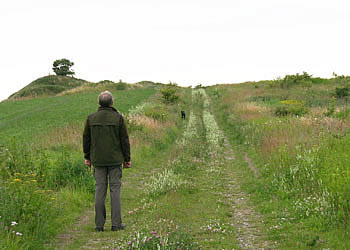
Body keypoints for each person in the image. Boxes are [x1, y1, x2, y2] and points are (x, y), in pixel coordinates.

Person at [83, 91, 131, 232]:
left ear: (99, 103)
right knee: (115, 190)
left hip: (97, 160)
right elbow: (125, 140)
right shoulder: (118, 118)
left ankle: (99, 225)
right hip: (115, 160)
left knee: (100, 190)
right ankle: (116, 224)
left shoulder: (91, 118)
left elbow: (86, 139)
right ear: (112, 103)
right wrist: (127, 159)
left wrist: (87, 157)